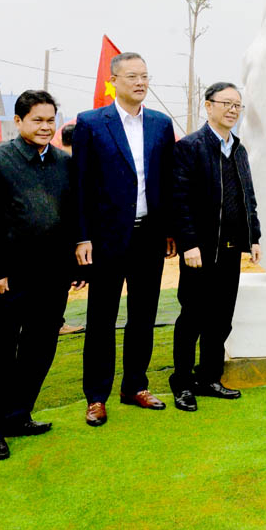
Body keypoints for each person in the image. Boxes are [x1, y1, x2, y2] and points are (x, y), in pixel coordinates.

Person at [0, 91, 83, 460]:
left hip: (52, 276)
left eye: (50, 119)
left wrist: (76, 266)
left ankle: (18, 415)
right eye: (37, 119)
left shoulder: (64, 164)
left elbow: (71, 218)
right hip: (7, 279)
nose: (45, 126)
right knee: (1, 354)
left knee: (40, 349)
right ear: (18, 121)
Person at [73, 52, 176, 425]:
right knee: (101, 318)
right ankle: (96, 396)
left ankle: (135, 386)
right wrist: (82, 236)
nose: (140, 82)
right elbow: (81, 185)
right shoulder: (91, 124)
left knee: (143, 316)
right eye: (132, 76)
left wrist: (169, 231)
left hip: (149, 235)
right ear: (114, 80)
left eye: (145, 76)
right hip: (105, 238)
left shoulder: (162, 125)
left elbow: (166, 182)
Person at [170, 82, 261, 411]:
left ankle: (209, 377)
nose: (233, 110)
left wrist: (254, 236)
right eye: (226, 103)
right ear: (208, 107)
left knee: (221, 319)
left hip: (231, 248)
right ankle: (181, 382)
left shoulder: (238, 148)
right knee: (192, 316)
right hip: (200, 251)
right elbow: (178, 201)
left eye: (238, 106)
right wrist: (189, 244)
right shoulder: (190, 147)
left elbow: (246, 194)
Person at [56, 122, 85, 336]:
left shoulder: (55, 160)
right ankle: (56, 323)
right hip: (66, 237)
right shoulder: (72, 164)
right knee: (59, 284)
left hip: (59, 234)